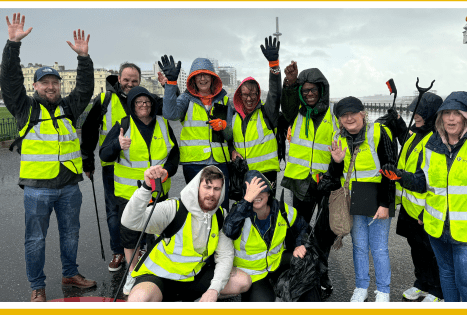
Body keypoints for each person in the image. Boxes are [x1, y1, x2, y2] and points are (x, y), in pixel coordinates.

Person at [0, 13, 96, 302]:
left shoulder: (69, 107)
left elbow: (85, 88)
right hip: (37, 189)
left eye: (55, 82)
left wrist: (83, 59)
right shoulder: (24, 108)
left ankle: (70, 273)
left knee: (70, 235)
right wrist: (12, 45)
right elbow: (10, 80)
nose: (51, 86)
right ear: (36, 87)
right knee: (35, 241)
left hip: (68, 187)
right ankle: (37, 286)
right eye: (45, 83)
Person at [382, 91, 467, 302]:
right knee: (447, 276)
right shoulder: (433, 145)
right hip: (437, 228)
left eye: (457, 114)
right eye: (447, 113)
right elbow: (424, 182)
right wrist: (401, 177)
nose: (451, 118)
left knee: (466, 281)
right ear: (440, 117)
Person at [121, 165, 251, 302]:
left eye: (216, 189)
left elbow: (225, 256)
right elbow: (130, 222)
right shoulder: (173, 208)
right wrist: (146, 188)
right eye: (207, 187)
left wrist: (214, 290)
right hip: (159, 276)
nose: (212, 193)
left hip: (192, 277)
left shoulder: (219, 216)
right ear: (197, 187)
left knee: (243, 281)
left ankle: (197, 299)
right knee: (139, 299)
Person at [99, 86, 179, 295]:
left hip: (158, 191)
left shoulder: (162, 123)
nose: (143, 106)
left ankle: (156, 270)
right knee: (130, 235)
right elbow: (104, 155)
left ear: (152, 104)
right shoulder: (123, 125)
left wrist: (167, 171)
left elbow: (174, 155)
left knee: (158, 232)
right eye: (138, 102)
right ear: (132, 106)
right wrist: (117, 145)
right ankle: (133, 274)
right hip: (130, 194)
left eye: (147, 102)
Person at [280, 61, 338, 297]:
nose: (309, 94)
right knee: (299, 229)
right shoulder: (297, 111)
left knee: (324, 233)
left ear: (322, 90)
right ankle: (298, 270)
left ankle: (321, 274)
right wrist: (291, 83)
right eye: (305, 91)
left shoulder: (334, 114)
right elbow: (287, 102)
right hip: (300, 181)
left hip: (325, 183)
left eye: (313, 90)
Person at [328, 97, 396, 302]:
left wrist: (385, 204)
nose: (349, 118)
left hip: (378, 197)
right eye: (343, 115)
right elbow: (335, 175)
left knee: (379, 247)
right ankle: (361, 286)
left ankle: (383, 291)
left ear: (363, 114)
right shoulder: (338, 136)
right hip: (355, 198)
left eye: (353, 113)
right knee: (359, 246)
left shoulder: (379, 132)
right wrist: (336, 162)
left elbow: (390, 169)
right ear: (339, 119)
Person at [80, 62, 143, 272]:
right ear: (119, 79)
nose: (130, 84)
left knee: (141, 209)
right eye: (126, 80)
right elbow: (89, 129)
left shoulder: (143, 100)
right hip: (111, 165)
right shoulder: (105, 99)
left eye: (134, 81)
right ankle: (118, 252)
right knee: (114, 212)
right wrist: (87, 160)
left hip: (139, 166)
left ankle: (138, 249)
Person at [223, 170, 320, 302]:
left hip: (276, 262)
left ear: (269, 192)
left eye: (261, 190)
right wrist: (246, 201)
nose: (256, 195)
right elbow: (229, 230)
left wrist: (299, 245)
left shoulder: (281, 210)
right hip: (252, 274)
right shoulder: (239, 211)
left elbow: (304, 227)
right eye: (251, 191)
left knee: (305, 262)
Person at [389, 93, 445, 302]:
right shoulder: (416, 134)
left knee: (431, 251)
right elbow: (407, 142)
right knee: (417, 249)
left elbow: (433, 179)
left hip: (426, 208)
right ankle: (422, 283)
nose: (415, 115)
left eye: (419, 112)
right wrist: (397, 121)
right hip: (410, 206)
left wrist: (425, 210)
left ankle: (437, 290)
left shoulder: (437, 139)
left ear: (431, 114)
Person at [160, 55, 232, 211]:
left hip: (220, 161)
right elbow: (170, 114)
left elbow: (231, 134)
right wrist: (171, 83)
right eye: (198, 75)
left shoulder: (224, 100)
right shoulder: (186, 99)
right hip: (194, 164)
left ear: (213, 78)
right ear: (193, 79)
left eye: (206, 74)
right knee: (196, 206)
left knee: (221, 204)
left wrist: (224, 125)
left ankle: (221, 233)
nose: (202, 78)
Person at [229, 36, 282, 193]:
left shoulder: (267, 113)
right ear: (239, 96)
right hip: (242, 175)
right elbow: (228, 140)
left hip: (265, 175)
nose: (250, 98)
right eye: (245, 94)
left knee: (265, 215)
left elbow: (275, 93)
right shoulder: (234, 118)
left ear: (259, 94)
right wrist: (232, 150)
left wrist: (274, 66)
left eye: (253, 94)